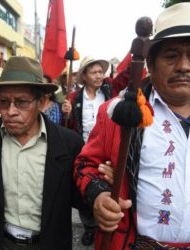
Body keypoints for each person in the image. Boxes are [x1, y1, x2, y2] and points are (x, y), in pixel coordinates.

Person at [74, 2, 190, 249]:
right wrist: (99, 196)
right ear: (150, 65)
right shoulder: (117, 113)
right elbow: (84, 166)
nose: (184, 66)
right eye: (171, 56)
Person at [0, 56, 87, 250]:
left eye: (21, 102)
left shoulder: (68, 143)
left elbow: (81, 198)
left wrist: (98, 186)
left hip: (48, 244)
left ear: (41, 102)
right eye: (3, 101)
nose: (10, 111)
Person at [61, 55, 129, 245]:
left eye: (101, 72)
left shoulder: (110, 92)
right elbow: (69, 126)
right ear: (85, 76)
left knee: (109, 188)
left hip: (105, 151)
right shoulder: (74, 98)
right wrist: (66, 113)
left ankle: (107, 223)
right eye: (94, 72)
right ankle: (90, 226)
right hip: (83, 150)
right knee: (85, 189)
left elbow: (126, 76)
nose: (99, 76)